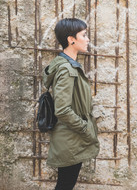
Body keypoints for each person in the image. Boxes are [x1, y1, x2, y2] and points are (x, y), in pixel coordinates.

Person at [43, 18, 100, 190]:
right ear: (71, 39)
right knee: (65, 185)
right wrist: (84, 127)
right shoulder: (66, 69)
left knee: (65, 184)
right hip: (71, 138)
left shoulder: (70, 66)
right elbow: (62, 109)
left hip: (71, 137)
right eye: (84, 35)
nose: (88, 39)